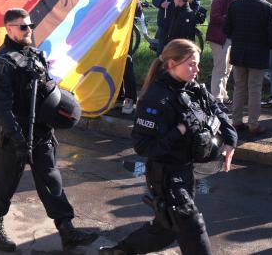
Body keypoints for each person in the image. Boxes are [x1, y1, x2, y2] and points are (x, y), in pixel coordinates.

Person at [99, 39, 237, 255]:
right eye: (191, 64)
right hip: (165, 175)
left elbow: (217, 111)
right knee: (192, 225)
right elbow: (143, 146)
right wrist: (177, 132)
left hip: (186, 170)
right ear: (172, 63)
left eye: (197, 64)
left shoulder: (192, 88)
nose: (197, 69)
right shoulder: (156, 98)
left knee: (167, 229)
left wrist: (231, 140)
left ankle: (120, 252)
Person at [0, 8, 98, 253]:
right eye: (23, 27)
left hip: (42, 131)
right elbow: (1, 109)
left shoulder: (35, 54)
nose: (28, 30)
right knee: (5, 183)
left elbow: (48, 91)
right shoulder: (2, 63)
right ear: (9, 29)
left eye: (30, 26)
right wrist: (17, 139)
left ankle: (67, 231)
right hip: (16, 134)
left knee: (51, 181)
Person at [224, 0, 272, 137]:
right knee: (255, 89)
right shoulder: (268, 8)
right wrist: (269, 46)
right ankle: (253, 124)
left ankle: (236, 121)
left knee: (239, 87)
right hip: (259, 54)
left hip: (239, 52)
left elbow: (226, 29)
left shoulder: (235, 5)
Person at [206, 0, 245, 105]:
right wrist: (231, 17)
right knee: (220, 68)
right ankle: (216, 99)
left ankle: (223, 95)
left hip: (228, 37)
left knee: (227, 69)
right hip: (219, 38)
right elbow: (214, 17)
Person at [108, 0, 139, 114]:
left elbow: (137, 10)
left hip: (124, 35)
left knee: (126, 64)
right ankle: (118, 97)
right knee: (114, 65)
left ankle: (131, 98)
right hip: (111, 35)